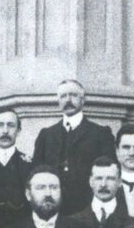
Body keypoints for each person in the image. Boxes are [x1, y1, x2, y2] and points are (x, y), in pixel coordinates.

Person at [29, 78, 115, 211]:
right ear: (58, 101)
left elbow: (109, 171)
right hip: (53, 208)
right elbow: (36, 173)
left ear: (83, 100)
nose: (68, 100)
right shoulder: (46, 135)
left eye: (73, 95)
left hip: (87, 209)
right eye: (63, 96)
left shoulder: (100, 133)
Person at [77, 158, 128, 228]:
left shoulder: (132, 224)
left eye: (110, 178)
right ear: (90, 181)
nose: (103, 184)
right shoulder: (73, 222)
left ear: (120, 182)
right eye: (98, 178)